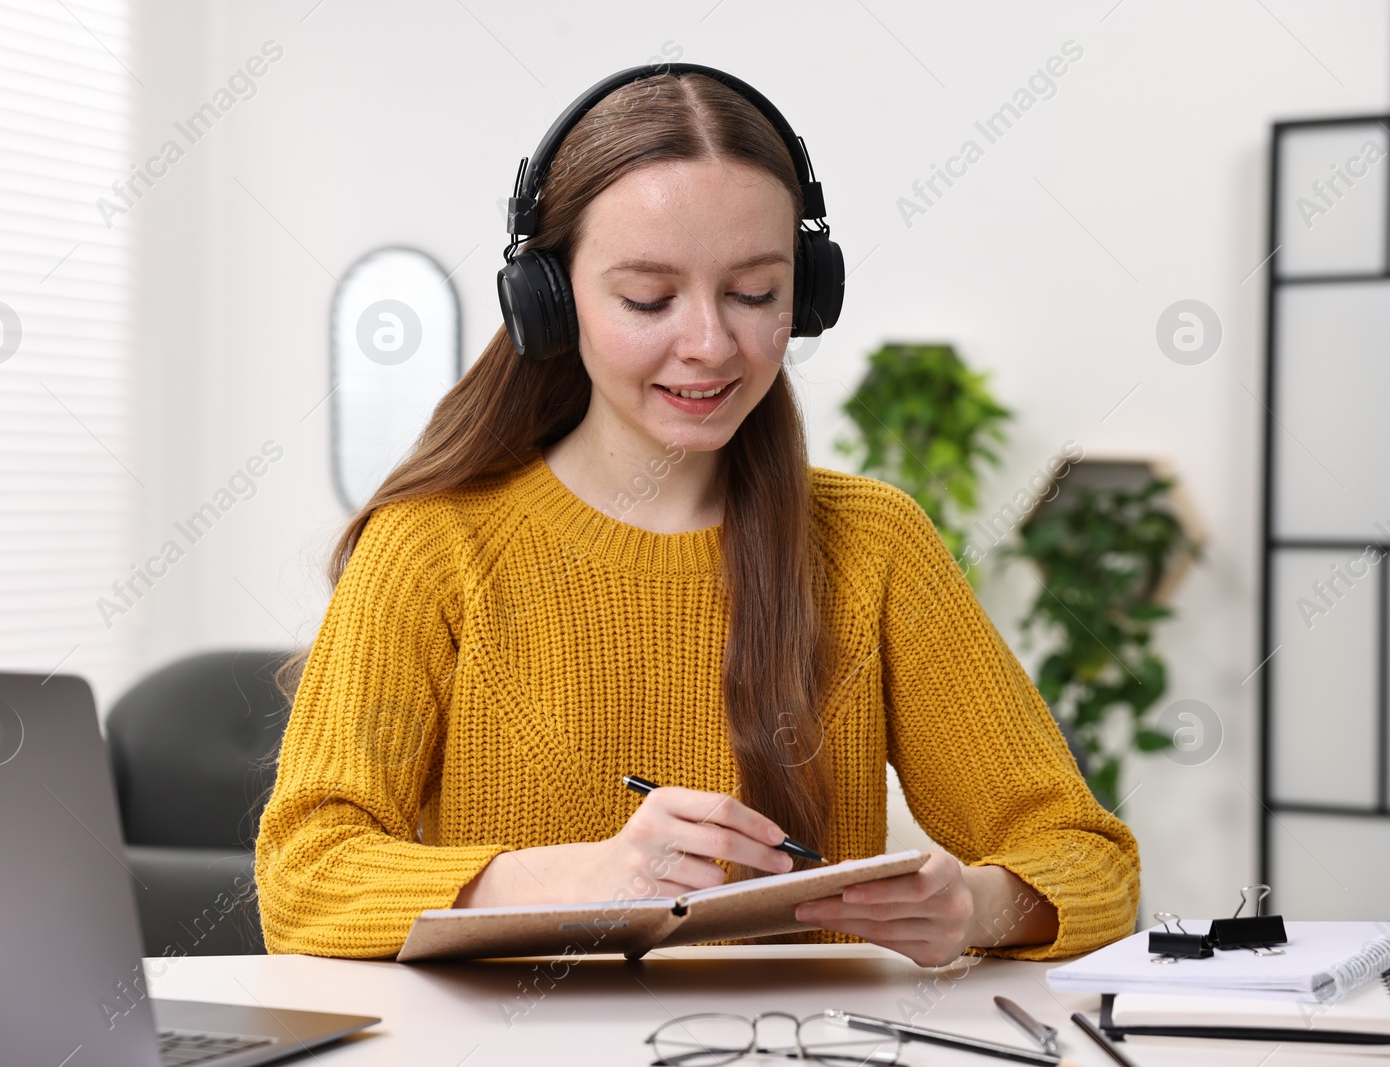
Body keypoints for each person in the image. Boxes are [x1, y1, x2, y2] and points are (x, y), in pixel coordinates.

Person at [253, 67, 1139, 965]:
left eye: (755, 294)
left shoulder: (875, 544)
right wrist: (583, 880)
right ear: (551, 302)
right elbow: (306, 878)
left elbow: (1086, 856)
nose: (711, 343)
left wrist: (975, 906)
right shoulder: (434, 547)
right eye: (648, 299)